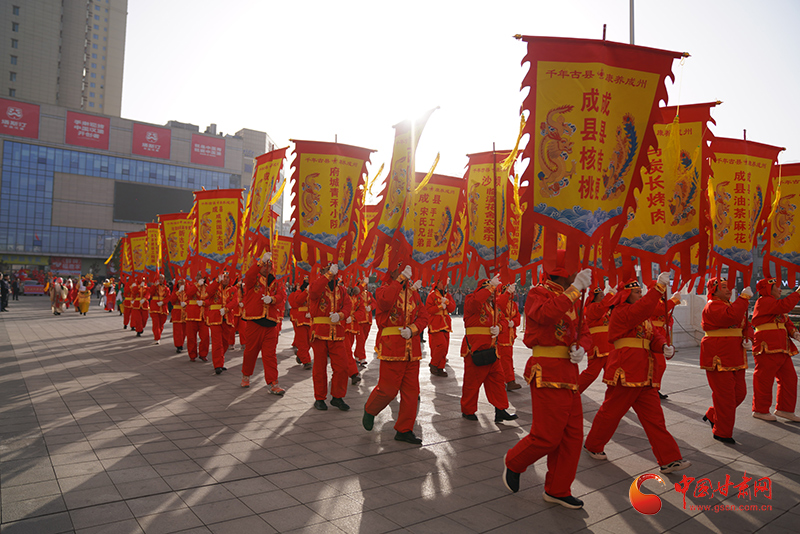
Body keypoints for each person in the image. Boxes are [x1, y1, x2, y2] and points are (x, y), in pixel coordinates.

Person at [502, 256, 591, 509]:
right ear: (563, 271)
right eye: (574, 270)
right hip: (547, 371)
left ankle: (558, 489)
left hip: (569, 373)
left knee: (573, 437)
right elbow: (545, 315)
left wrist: (582, 347)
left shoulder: (575, 296)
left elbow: (584, 332)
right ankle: (514, 461)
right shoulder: (538, 293)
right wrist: (575, 290)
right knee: (547, 436)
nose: (577, 274)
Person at [583, 273, 691, 475]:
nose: (640, 295)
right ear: (626, 295)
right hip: (625, 371)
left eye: (641, 291)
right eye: (636, 292)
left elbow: (654, 335)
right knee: (611, 414)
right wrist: (657, 289)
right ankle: (593, 444)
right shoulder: (621, 311)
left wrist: (663, 346)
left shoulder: (642, 316)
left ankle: (669, 459)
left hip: (644, 372)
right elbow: (641, 310)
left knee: (655, 419)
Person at [363, 264, 430, 444]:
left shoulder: (413, 293)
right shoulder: (383, 290)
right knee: (388, 390)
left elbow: (424, 316)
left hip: (412, 350)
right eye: (399, 268)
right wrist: (399, 280)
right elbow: (385, 302)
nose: (403, 272)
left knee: (411, 392)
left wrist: (413, 329)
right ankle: (370, 409)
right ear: (392, 271)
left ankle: (404, 429)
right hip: (392, 348)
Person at [700, 278, 753, 443]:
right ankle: (722, 432)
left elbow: (746, 325)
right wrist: (743, 299)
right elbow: (731, 317)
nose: (728, 290)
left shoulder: (732, 305)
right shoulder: (712, 305)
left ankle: (713, 414)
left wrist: (749, 337)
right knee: (725, 397)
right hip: (719, 356)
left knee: (740, 394)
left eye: (729, 286)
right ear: (714, 290)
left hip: (736, 355)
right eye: (723, 287)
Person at [460, 275, 518, 423]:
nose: (492, 293)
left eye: (494, 290)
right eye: (490, 290)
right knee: (472, 383)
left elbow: (503, 320)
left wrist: (499, 328)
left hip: (492, 350)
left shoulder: (494, 306)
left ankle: (500, 410)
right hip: (475, 349)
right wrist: (490, 286)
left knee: (497, 381)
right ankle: (468, 410)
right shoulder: (471, 300)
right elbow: (476, 303)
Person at [751, 278, 800, 422]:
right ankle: (760, 410)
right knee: (764, 379)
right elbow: (785, 306)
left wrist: (795, 333)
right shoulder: (763, 301)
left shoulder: (775, 305)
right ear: (768, 290)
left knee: (790, 379)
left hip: (781, 347)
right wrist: (798, 293)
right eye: (776, 287)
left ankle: (785, 409)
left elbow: (787, 322)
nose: (780, 289)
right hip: (767, 346)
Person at [241, 252, 286, 394]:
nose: (267, 268)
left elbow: (282, 295)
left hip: (270, 322)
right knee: (251, 351)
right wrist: (260, 262)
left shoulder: (277, 282)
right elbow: (248, 276)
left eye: (269, 265)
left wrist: (273, 299)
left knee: (270, 355)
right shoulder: (253, 280)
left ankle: (273, 383)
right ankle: (246, 375)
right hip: (254, 321)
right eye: (264, 265)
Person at [308, 263, 351, 409]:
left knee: (342, 366)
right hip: (320, 332)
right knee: (320, 367)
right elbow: (314, 292)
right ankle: (319, 397)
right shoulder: (317, 285)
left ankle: (337, 396)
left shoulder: (342, 290)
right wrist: (327, 276)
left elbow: (348, 306)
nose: (332, 271)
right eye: (328, 268)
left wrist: (341, 315)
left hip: (337, 333)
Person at [578, 286, 616, 393]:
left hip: (608, 345)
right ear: (594, 297)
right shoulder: (592, 308)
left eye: (604, 295)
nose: (603, 297)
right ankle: (573, 392)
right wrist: (610, 295)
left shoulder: (605, 307)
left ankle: (615, 395)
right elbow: (600, 310)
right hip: (598, 345)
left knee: (612, 374)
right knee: (591, 373)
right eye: (601, 295)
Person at [206, 270, 237, 375]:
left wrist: (226, 308)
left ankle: (220, 359)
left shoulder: (233, 289)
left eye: (227, 277)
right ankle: (218, 365)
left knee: (225, 342)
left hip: (227, 318)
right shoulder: (215, 286)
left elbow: (235, 301)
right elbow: (208, 292)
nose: (225, 279)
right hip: (215, 317)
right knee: (217, 342)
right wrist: (216, 281)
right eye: (224, 277)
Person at [426, 277, 456, 377]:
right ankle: (434, 364)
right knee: (440, 345)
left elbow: (452, 308)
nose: (444, 284)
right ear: (437, 283)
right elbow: (429, 309)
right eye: (442, 282)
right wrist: (439, 306)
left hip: (446, 323)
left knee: (445, 347)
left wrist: (447, 302)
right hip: (435, 323)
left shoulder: (448, 295)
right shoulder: (432, 295)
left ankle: (440, 367)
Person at [497, 282, 522, 390]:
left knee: (507, 358)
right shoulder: (498, 300)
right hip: (503, 333)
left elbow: (518, 316)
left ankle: (504, 379)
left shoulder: (513, 304)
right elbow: (500, 304)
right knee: (505, 359)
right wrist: (506, 293)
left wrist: (514, 322)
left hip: (510, 334)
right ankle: (509, 380)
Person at [184, 272, 210, 361]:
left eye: (202, 276)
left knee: (205, 337)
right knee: (191, 337)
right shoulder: (191, 285)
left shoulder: (207, 287)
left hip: (203, 315)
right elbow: (189, 293)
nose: (200, 277)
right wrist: (197, 285)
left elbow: (211, 299)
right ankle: (192, 355)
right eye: (198, 275)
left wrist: (204, 303)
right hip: (192, 314)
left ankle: (203, 354)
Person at [288, 278, 313, 370]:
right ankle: (306, 361)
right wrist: (305, 291)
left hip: (310, 320)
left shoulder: (311, 293)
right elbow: (298, 301)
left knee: (310, 342)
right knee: (303, 342)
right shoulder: (295, 293)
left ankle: (300, 354)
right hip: (300, 320)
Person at [354, 277, 376, 368]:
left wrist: (370, 307)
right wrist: (362, 283)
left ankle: (357, 355)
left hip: (368, 320)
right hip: (359, 320)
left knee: (364, 339)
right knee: (361, 339)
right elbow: (358, 290)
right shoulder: (357, 294)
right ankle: (362, 358)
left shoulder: (369, 294)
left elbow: (374, 303)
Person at [148, 274, 170, 345]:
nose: (161, 280)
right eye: (160, 278)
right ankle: (157, 337)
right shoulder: (154, 287)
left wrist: (163, 302)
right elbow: (151, 292)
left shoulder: (166, 288)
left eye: (162, 278)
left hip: (163, 307)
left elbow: (168, 297)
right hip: (155, 306)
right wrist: (154, 285)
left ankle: (158, 335)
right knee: (156, 323)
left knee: (161, 324)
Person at [170, 277, 187, 353]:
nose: (182, 285)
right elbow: (172, 300)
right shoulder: (175, 291)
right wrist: (178, 292)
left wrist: (186, 303)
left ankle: (181, 343)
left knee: (184, 331)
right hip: (177, 312)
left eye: (183, 283)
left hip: (185, 312)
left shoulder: (187, 291)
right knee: (177, 330)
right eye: (180, 283)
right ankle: (178, 345)